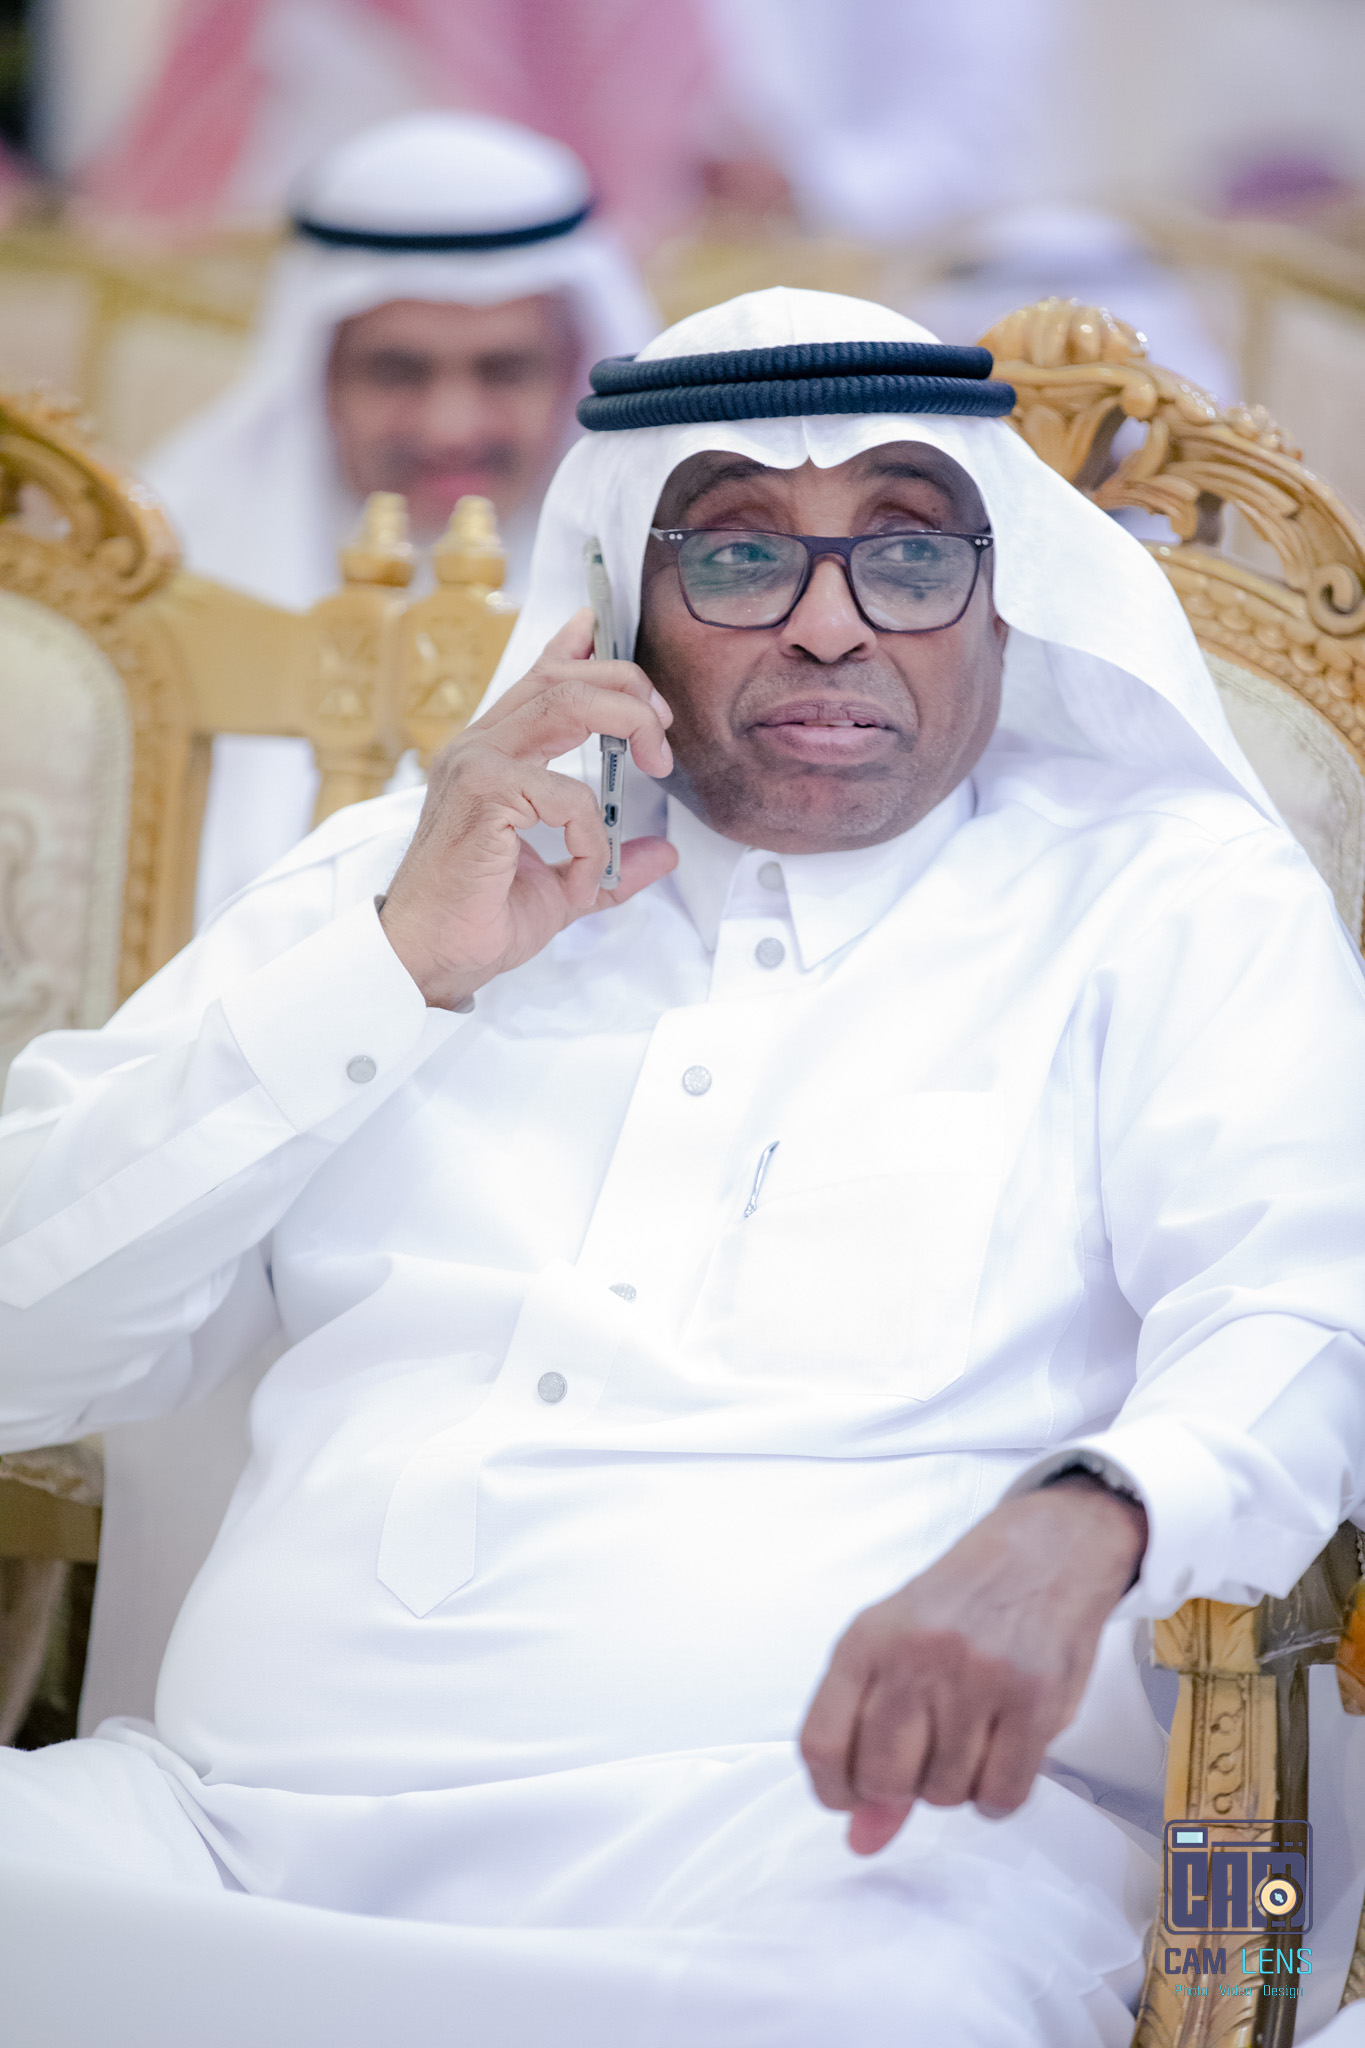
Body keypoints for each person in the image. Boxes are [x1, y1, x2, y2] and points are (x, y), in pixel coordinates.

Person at [3, 285, 1365, 2048]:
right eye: (737, 557)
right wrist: (390, 975)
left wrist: (1092, 1514)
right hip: (223, 1839)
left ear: (999, 594)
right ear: (620, 602)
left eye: (907, 553)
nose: (829, 625)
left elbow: (1308, 1300)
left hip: (836, 1875)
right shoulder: (410, 874)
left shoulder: (1160, 898)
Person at [143, 109, 656, 925]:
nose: (451, 427)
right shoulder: (154, 565)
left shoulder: (673, 578)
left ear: (571, 366)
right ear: (319, 370)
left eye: (504, 369)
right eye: (396, 371)